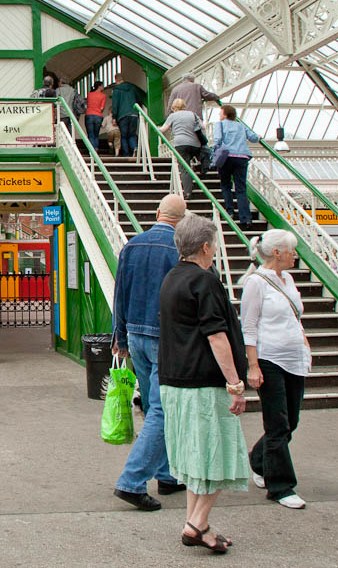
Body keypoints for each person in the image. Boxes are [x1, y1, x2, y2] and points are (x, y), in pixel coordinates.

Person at [159, 213, 249, 554]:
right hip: (203, 382)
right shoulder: (205, 280)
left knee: (196, 460)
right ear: (207, 246)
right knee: (219, 455)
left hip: (175, 380)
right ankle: (195, 525)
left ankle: (200, 525)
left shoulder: (172, 278)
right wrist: (235, 384)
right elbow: (216, 335)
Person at [112, 194, 187, 511]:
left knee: (156, 406)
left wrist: (120, 336)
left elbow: (120, 292)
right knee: (162, 409)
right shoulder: (180, 250)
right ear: (181, 221)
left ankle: (167, 474)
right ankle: (131, 481)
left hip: (135, 335)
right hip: (165, 338)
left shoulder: (132, 245)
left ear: (157, 213)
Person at [241, 230, 311, 509]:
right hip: (269, 359)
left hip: (294, 357)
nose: (295, 255)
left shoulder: (289, 279)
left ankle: (258, 460)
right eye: (292, 250)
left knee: (290, 421)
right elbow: (249, 325)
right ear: (278, 252)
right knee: (278, 423)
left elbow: (295, 316)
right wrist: (253, 365)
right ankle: (281, 486)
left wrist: (304, 342)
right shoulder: (256, 283)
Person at [212, 105, 259, 229]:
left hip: (226, 157)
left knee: (226, 184)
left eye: (220, 112)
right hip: (242, 157)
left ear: (225, 114)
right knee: (241, 188)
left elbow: (217, 140)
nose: (219, 115)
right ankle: (246, 219)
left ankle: (230, 212)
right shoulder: (241, 126)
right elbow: (254, 138)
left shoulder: (220, 125)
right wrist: (260, 137)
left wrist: (213, 157)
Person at [159, 99, 204, 199]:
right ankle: (200, 167)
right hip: (195, 144)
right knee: (193, 158)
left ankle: (188, 192)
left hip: (180, 144)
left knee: (184, 168)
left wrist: (156, 128)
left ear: (174, 108)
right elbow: (202, 126)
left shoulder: (173, 116)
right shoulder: (192, 114)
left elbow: (163, 129)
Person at [110, 73, 146, 157]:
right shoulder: (132, 87)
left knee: (123, 136)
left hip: (122, 116)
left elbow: (115, 105)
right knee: (132, 134)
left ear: (116, 80)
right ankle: (135, 148)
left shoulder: (116, 90)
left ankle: (126, 155)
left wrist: (114, 117)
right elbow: (140, 97)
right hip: (134, 114)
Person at [84, 81, 106, 152]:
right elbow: (102, 108)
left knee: (90, 134)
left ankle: (91, 150)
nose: (103, 87)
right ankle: (96, 148)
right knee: (96, 134)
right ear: (99, 86)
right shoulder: (103, 96)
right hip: (98, 115)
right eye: (102, 85)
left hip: (89, 114)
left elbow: (87, 104)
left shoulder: (89, 94)